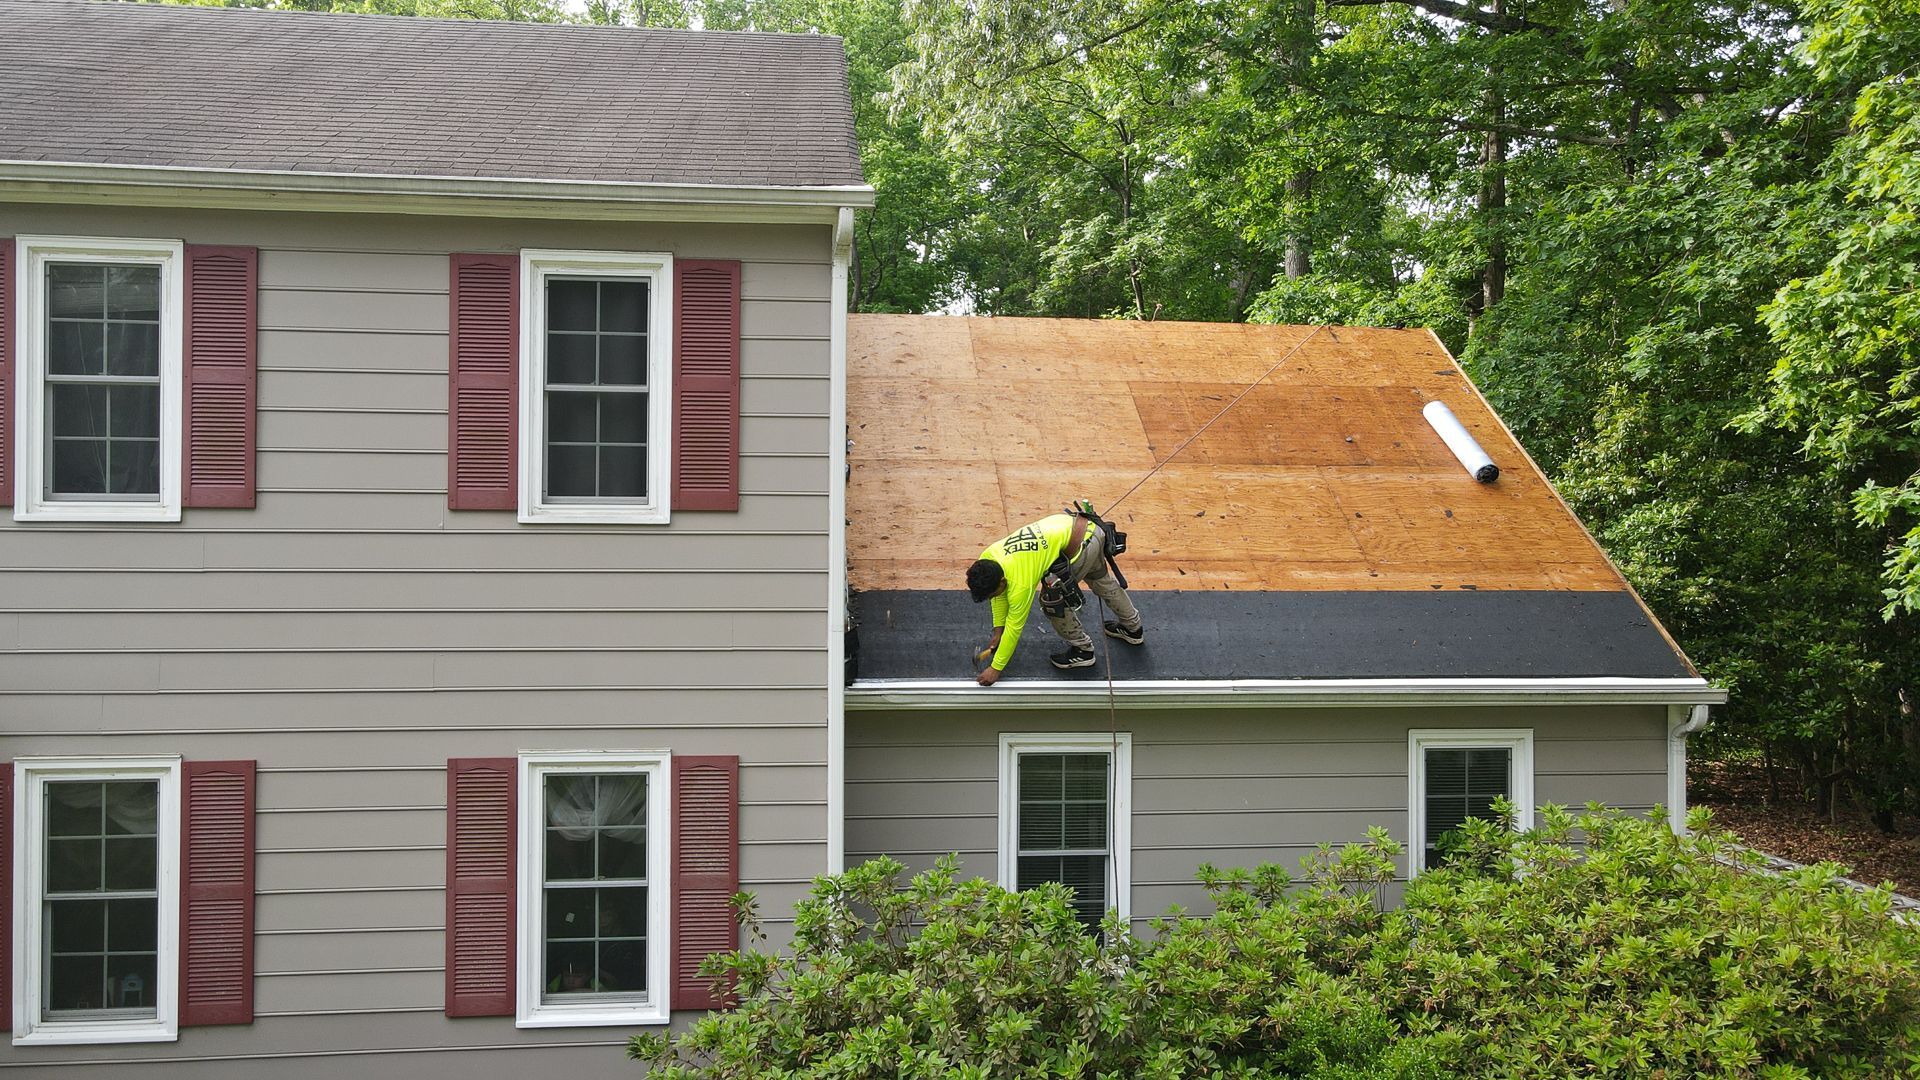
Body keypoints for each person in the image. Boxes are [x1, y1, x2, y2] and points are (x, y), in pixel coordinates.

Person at [967, 511, 1144, 685]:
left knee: (1053, 600)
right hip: (1088, 530)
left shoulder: (1020, 583)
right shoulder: (988, 558)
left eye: (992, 593)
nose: (993, 598)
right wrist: (998, 631)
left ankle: (1083, 651)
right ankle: (1133, 628)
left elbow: (1014, 628)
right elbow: (998, 597)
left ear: (1003, 581)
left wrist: (996, 668)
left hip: (1079, 546)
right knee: (1101, 580)